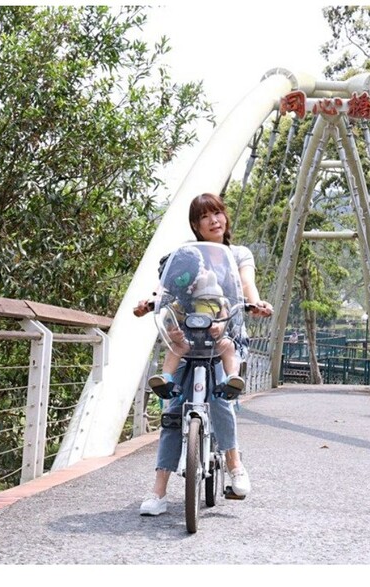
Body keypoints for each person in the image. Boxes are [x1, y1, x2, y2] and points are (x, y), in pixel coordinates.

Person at [133, 192, 273, 516]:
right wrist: (149, 302)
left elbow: (246, 285)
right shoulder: (187, 255)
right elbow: (167, 285)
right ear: (195, 226)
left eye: (217, 213)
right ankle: (158, 492)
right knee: (173, 410)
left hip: (224, 338)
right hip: (188, 339)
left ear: (225, 216)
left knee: (221, 400)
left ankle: (235, 466)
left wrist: (256, 303)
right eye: (204, 217)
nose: (213, 220)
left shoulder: (238, 254)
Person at [147, 245, 245, 400]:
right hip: (188, 341)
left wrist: (219, 327)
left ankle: (232, 378)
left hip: (214, 340)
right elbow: (172, 323)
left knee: (227, 345)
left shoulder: (215, 299)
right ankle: (165, 378)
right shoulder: (180, 304)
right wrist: (174, 334)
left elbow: (223, 316)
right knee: (176, 348)